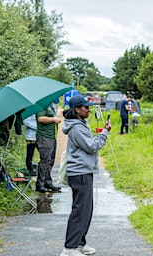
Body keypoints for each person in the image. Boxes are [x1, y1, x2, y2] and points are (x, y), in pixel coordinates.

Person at [60, 94, 111, 256]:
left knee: (86, 210)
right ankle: (69, 248)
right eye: (85, 107)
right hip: (80, 172)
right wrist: (104, 133)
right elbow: (91, 146)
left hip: (84, 171)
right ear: (77, 110)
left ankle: (80, 244)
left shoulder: (80, 123)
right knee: (79, 210)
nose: (88, 109)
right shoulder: (76, 128)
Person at [36, 102, 62, 193]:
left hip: (51, 137)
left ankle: (48, 181)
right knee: (45, 161)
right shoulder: (42, 106)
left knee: (51, 160)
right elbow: (40, 118)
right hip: (44, 137)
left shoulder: (50, 106)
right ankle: (40, 184)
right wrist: (53, 119)